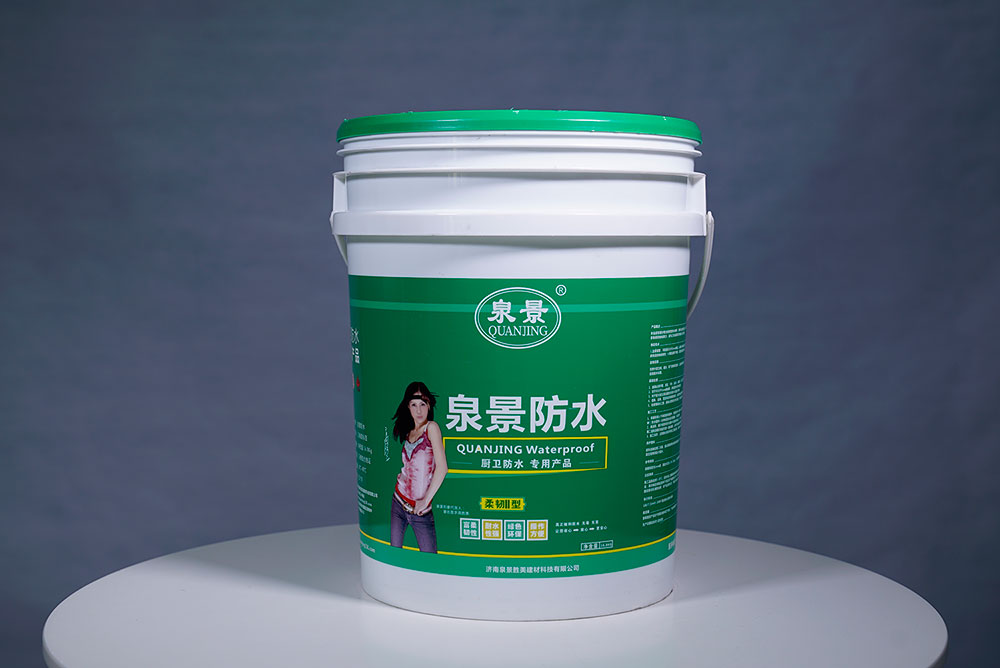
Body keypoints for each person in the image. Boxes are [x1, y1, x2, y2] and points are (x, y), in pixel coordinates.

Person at [389, 381, 447, 553]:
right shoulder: (409, 431)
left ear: (429, 405)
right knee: (394, 554)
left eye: (423, 404)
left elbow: (442, 468)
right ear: (408, 406)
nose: (419, 410)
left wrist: (425, 500)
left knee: (429, 558)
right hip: (398, 502)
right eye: (414, 405)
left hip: (421, 510)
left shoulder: (432, 428)